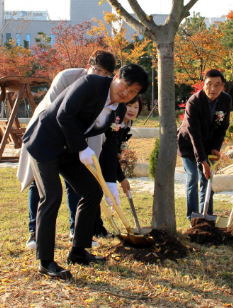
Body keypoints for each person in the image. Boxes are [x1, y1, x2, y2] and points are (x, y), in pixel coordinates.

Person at [23, 64, 148, 279]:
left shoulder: (118, 110)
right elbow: (64, 115)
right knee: (52, 196)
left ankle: (78, 252)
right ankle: (45, 261)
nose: (126, 94)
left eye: (133, 92)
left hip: (68, 149)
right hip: (45, 142)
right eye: (125, 86)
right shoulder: (91, 84)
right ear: (116, 76)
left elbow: (110, 144)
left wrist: (111, 180)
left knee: (92, 191)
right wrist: (82, 148)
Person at [17, 50, 116, 250]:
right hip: (46, 134)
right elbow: (55, 112)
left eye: (105, 74)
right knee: (41, 184)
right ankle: (34, 234)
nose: (100, 76)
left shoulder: (107, 93)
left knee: (78, 184)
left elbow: (97, 131)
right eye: (97, 70)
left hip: (78, 139)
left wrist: (90, 159)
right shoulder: (67, 77)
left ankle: (76, 230)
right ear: (88, 67)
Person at [177, 69, 232, 221]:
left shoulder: (226, 100)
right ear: (203, 84)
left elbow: (223, 126)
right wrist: (202, 161)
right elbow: (194, 133)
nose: (212, 89)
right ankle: (192, 218)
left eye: (217, 85)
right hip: (188, 144)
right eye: (209, 84)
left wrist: (216, 147)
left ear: (223, 86)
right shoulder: (194, 101)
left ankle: (207, 216)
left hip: (208, 145)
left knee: (207, 180)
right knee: (193, 178)